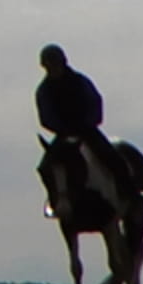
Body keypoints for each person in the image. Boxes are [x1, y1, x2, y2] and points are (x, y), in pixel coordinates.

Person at [37, 44, 112, 194]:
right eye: (49, 66)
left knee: (110, 156)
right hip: (63, 134)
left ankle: (131, 192)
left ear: (63, 63)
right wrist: (62, 129)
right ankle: (55, 199)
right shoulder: (43, 90)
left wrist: (88, 124)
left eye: (55, 64)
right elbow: (46, 116)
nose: (53, 69)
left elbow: (95, 102)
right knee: (46, 166)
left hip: (87, 130)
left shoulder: (80, 82)